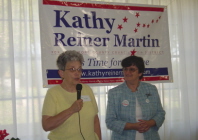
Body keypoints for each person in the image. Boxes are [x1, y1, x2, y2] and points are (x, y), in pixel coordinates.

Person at [42, 50, 101, 140]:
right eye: (72, 69)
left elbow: (95, 119)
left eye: (79, 69)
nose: (77, 73)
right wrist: (71, 110)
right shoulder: (53, 93)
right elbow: (46, 125)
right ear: (61, 73)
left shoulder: (87, 89)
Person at [105, 55, 165, 140]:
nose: (127, 72)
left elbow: (160, 113)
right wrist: (133, 126)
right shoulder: (114, 93)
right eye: (125, 69)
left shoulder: (151, 89)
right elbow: (110, 121)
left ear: (140, 73)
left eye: (132, 69)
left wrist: (150, 123)